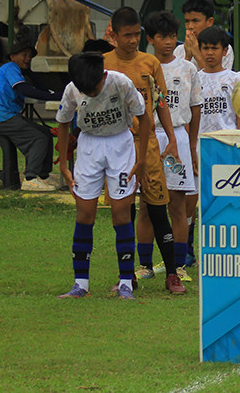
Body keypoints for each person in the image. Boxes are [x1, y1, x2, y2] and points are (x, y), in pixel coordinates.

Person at [103, 7, 184, 295]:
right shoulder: (104, 64)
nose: (132, 40)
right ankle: (128, 276)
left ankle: (172, 274)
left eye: (137, 35)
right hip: (115, 146)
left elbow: (160, 102)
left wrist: (171, 139)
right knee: (123, 210)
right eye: (127, 35)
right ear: (113, 34)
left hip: (148, 144)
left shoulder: (149, 63)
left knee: (158, 207)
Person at [55, 52, 146, 300]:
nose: (90, 94)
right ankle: (80, 284)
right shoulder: (73, 89)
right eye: (85, 90)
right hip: (89, 147)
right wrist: (63, 163)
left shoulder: (121, 82)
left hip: (120, 145)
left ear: (103, 76)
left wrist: (142, 157)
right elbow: (63, 122)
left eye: (94, 89)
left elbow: (144, 116)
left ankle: (126, 281)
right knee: (84, 213)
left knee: (121, 214)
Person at [145, 11, 202, 283]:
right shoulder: (143, 66)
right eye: (161, 37)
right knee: (146, 205)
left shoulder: (187, 68)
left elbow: (195, 108)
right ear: (150, 39)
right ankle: (144, 264)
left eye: (171, 36)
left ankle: (179, 265)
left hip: (177, 138)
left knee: (177, 204)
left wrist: (191, 147)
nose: (168, 42)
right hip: (147, 138)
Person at [0, 40, 61, 192]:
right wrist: (54, 97)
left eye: (30, 56)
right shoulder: (10, 68)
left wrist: (30, 72)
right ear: (12, 57)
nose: (28, 59)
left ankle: (43, 175)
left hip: (6, 116)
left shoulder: (17, 71)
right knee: (38, 137)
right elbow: (23, 89)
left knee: (46, 132)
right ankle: (30, 178)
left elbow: (42, 88)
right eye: (24, 55)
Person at [198, 26, 240, 134]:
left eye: (214, 48)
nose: (210, 53)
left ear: (225, 51)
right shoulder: (195, 79)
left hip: (229, 139)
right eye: (205, 48)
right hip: (202, 141)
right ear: (199, 50)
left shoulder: (235, 79)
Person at [175, 0, 234, 71]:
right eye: (187, 21)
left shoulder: (223, 48)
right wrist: (187, 57)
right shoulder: (179, 50)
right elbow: (179, 80)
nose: (190, 26)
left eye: (195, 21)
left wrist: (197, 55)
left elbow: (217, 79)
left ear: (210, 22)